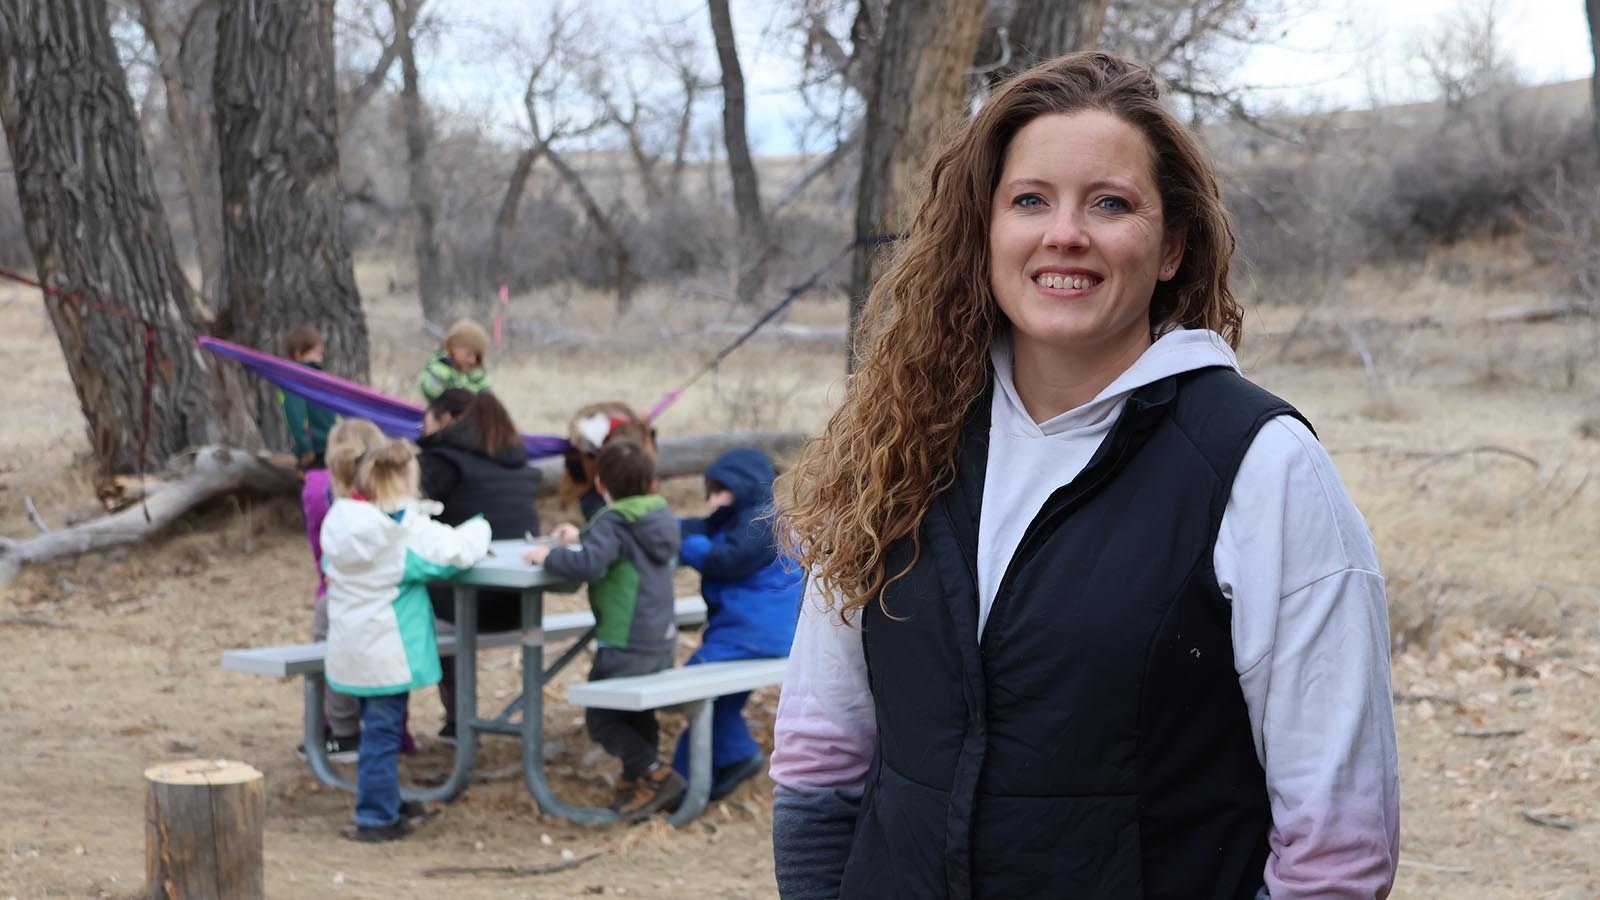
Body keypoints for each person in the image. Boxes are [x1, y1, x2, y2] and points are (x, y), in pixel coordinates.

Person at [770, 52, 1400, 899]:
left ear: (1172, 244)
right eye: (1029, 200)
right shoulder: (896, 444)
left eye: (1110, 203)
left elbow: (1336, 848)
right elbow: (821, 754)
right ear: (984, 231)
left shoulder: (1260, 466)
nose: (1064, 233)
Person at [322, 433, 491, 842]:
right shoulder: (400, 535)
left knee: (376, 733)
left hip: (351, 648)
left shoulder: (341, 522)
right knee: (382, 735)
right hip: (387, 652)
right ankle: (376, 818)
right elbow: (454, 553)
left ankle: (385, 800)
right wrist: (481, 527)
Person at [523, 439, 685, 822]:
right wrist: (580, 537)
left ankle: (652, 772)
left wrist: (551, 556)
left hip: (625, 638)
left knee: (602, 717)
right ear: (652, 485)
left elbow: (590, 566)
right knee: (638, 715)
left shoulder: (613, 521)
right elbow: (622, 546)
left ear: (600, 486)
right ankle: (638, 787)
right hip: (660, 637)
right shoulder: (658, 517)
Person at [669, 448, 801, 801]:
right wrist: (672, 527)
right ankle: (708, 771)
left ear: (743, 487)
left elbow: (724, 561)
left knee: (694, 686)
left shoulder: (760, 524)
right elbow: (702, 525)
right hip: (767, 634)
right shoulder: (752, 517)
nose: (714, 501)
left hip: (751, 634)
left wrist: (692, 546)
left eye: (721, 491)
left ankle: (714, 767)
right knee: (720, 702)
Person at [417, 389, 542, 743]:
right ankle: (458, 720)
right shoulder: (521, 466)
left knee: (400, 601)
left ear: (447, 420)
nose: (421, 431)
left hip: (469, 605)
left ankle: (353, 730)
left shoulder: (443, 463)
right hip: (521, 604)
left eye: (424, 421)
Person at [298, 418, 385, 763]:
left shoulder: (321, 492)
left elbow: (324, 558)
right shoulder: (397, 500)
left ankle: (336, 731)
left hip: (343, 597)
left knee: (328, 633)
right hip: (392, 604)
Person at [280, 324, 339, 469]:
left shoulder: (314, 378)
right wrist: (306, 447)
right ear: (299, 353)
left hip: (320, 447)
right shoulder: (298, 379)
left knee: (316, 488)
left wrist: (305, 447)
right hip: (320, 447)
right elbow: (296, 414)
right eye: (317, 353)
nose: (320, 358)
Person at [418, 318, 492, 402]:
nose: (473, 360)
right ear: (453, 347)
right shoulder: (439, 367)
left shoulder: (477, 373)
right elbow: (433, 392)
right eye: (469, 354)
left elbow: (487, 397)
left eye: (477, 357)